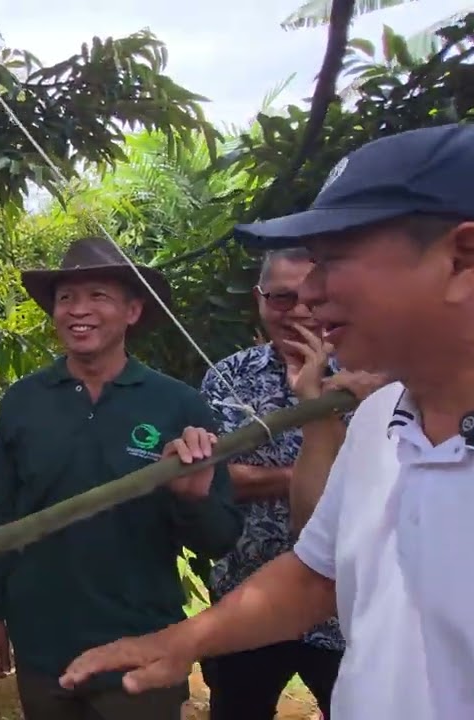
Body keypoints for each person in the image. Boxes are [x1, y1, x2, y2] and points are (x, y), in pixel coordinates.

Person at [59, 123, 474, 720]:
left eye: (334, 258)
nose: (309, 293)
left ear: (461, 258)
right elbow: (315, 575)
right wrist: (184, 640)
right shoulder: (380, 419)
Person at [0, 236, 244, 720]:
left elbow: (219, 537)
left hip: (141, 644)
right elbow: (2, 519)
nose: (78, 310)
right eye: (66, 298)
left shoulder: (177, 405)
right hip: (44, 644)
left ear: (133, 311)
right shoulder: (23, 402)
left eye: (97, 295)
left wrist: (193, 500)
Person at [195, 248, 346, 720]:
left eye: (311, 298)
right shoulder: (228, 375)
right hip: (248, 595)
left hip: (345, 606)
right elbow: (217, 477)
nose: (299, 311)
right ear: (259, 299)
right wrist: (314, 475)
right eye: (282, 298)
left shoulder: (372, 375)